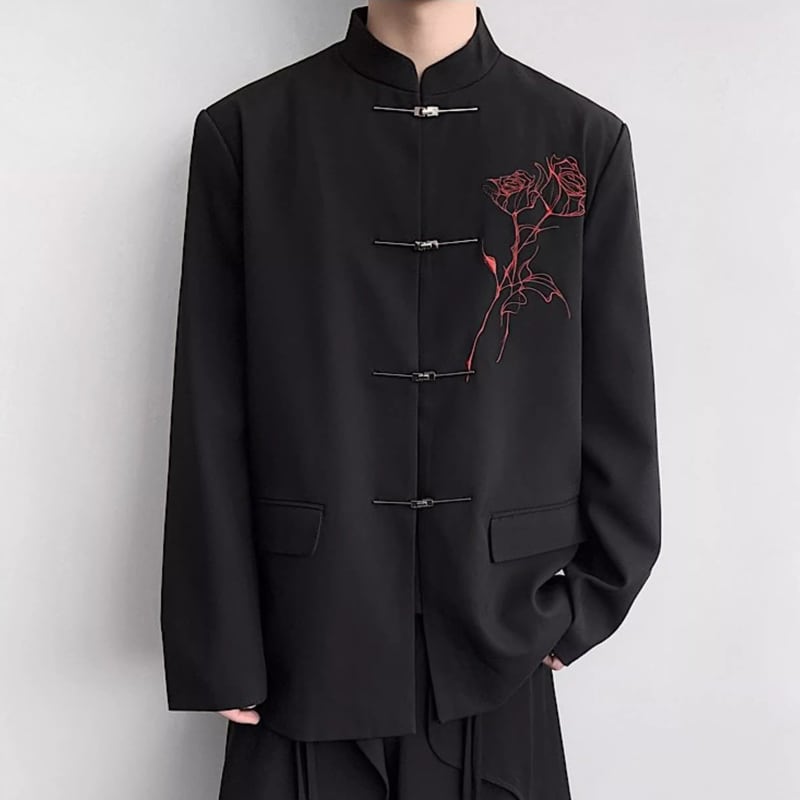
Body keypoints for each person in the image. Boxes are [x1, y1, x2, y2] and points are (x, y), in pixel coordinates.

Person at [159, 2, 662, 798]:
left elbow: (618, 391)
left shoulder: (580, 140)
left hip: (499, 631)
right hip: (306, 631)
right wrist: (219, 641)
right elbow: (209, 404)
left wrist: (590, 599)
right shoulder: (248, 135)